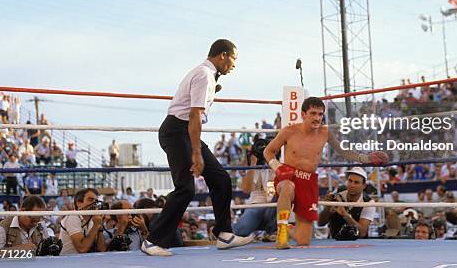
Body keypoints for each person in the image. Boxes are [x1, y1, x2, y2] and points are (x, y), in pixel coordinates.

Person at [143, 39, 252, 257]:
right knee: (185, 188)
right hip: (177, 131)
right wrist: (196, 153)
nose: (234, 65)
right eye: (233, 59)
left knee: (220, 179)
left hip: (184, 131)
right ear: (222, 55)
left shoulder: (207, 75)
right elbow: (194, 115)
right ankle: (153, 241)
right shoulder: (204, 75)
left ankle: (224, 234)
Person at [263, 97, 388, 249]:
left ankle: (288, 228)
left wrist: (365, 158)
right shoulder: (289, 131)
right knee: (287, 187)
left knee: (303, 241)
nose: (317, 118)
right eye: (313, 113)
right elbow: (268, 151)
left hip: (308, 181)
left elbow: (343, 152)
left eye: (320, 114)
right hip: (289, 175)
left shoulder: (325, 133)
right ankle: (281, 233)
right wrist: (277, 167)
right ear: (303, 114)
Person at [318, 167, 377, 239]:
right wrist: (327, 208)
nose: (352, 185)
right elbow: (320, 223)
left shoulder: (368, 202)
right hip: (334, 242)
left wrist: (345, 215)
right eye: (350, 181)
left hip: (359, 245)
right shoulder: (337, 193)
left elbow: (362, 233)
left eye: (356, 182)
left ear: (364, 186)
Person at [233, 154, 276, 241]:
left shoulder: (281, 159)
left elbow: (274, 193)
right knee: (240, 230)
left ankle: (272, 231)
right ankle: (219, 230)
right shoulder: (254, 163)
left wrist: (273, 161)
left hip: (275, 204)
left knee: (277, 201)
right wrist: (252, 164)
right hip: (256, 205)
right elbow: (246, 190)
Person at [59, 188, 107, 254]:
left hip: (84, 261)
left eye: (96, 201)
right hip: (68, 261)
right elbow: (82, 249)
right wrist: (96, 225)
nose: (94, 203)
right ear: (78, 203)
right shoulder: (72, 217)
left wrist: (99, 226)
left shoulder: (93, 219)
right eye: (90, 200)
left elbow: (102, 250)